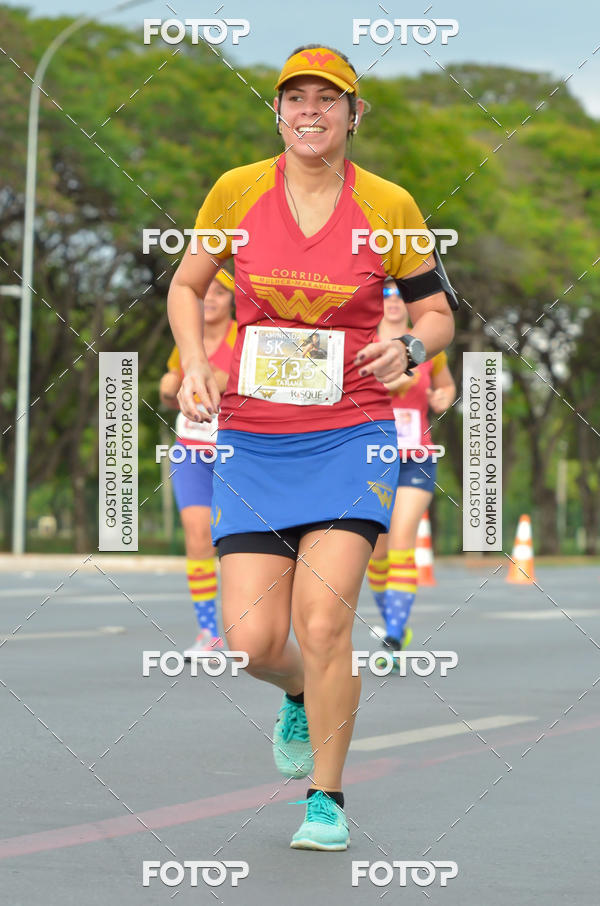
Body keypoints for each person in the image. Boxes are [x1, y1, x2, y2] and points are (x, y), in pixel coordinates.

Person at [167, 44, 456, 851]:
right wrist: (195, 361)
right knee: (253, 643)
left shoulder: (388, 204)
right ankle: (298, 692)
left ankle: (325, 798)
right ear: (278, 112)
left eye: (328, 100)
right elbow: (187, 284)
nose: (310, 112)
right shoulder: (237, 190)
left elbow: (437, 312)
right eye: (296, 98)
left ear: (354, 114)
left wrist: (412, 349)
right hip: (253, 440)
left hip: (352, 436)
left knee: (325, 623)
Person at [367, 280, 456, 663]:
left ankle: (392, 635)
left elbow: (446, 386)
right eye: (384, 295)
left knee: (402, 538)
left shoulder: (423, 346)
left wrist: (442, 397)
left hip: (416, 456)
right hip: (371, 456)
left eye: (398, 295)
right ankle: (394, 622)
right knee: (376, 551)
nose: (392, 301)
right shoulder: (363, 342)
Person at [159, 268, 236, 657]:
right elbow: (171, 387)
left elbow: (235, 380)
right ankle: (209, 633)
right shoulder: (187, 339)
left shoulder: (242, 336)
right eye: (206, 292)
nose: (211, 300)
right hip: (190, 450)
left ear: (232, 298)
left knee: (237, 545)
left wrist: (217, 377)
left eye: (220, 292)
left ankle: (249, 629)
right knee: (197, 537)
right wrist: (168, 387)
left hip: (237, 453)